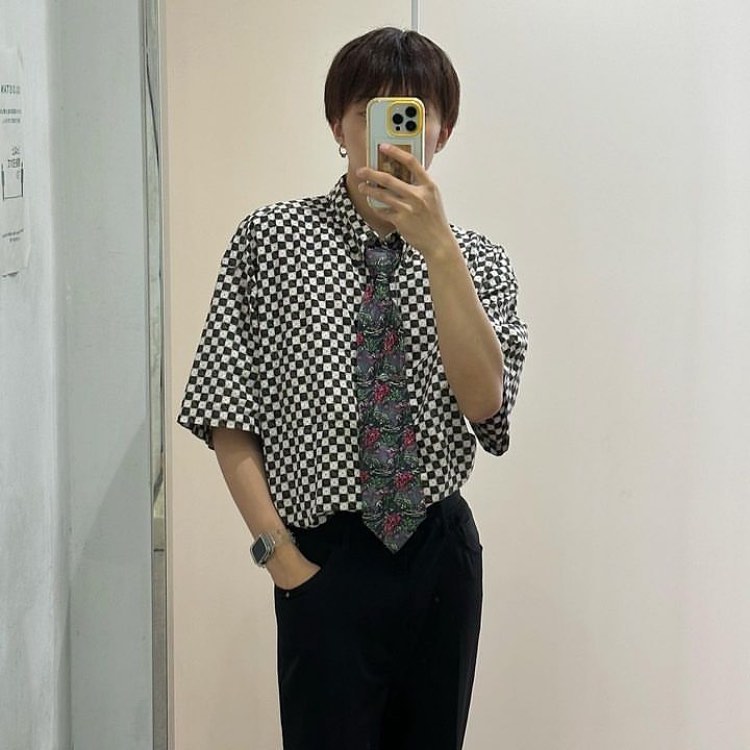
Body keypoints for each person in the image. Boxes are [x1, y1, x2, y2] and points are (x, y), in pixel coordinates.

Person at [178, 26, 528, 750]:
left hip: (439, 557)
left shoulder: (478, 260)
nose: (388, 134)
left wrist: (439, 251)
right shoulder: (269, 241)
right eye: (369, 111)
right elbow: (225, 412)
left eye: (412, 114)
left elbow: (485, 405)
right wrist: (282, 560)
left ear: (442, 133)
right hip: (322, 558)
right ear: (337, 124)